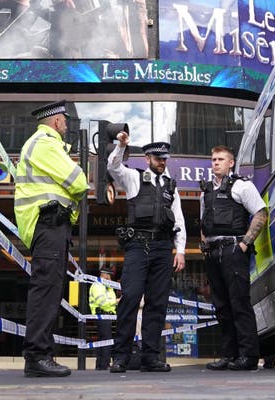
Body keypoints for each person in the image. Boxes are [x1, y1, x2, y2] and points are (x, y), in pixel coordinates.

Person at [14, 100, 87, 378]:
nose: (67, 125)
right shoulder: (45, 143)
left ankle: (40, 354)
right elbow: (78, 182)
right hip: (48, 225)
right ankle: (37, 356)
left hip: (51, 225)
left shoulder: (43, 144)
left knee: (50, 290)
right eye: (65, 120)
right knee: (46, 292)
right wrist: (77, 176)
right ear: (56, 122)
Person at [106, 131, 186, 373]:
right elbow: (113, 166)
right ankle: (120, 356)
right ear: (147, 159)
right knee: (130, 298)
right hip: (138, 246)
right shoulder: (134, 178)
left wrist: (180, 250)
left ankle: (150, 357)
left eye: (165, 159)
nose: (162, 162)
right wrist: (121, 145)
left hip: (163, 248)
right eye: (158, 158)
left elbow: (179, 220)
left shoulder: (171, 187)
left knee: (157, 303)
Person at [200, 144, 267, 371]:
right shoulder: (206, 191)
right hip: (213, 253)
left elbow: (261, 213)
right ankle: (229, 355)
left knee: (239, 304)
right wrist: (204, 244)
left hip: (233, 251)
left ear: (231, 163)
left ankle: (248, 357)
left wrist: (245, 243)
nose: (215, 163)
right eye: (213, 159)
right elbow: (204, 222)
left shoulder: (241, 186)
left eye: (220, 159)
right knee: (221, 306)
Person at [89, 267, 119, 370]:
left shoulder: (106, 287)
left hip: (107, 316)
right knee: (106, 341)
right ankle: (104, 364)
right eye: (110, 277)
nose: (111, 280)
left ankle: (101, 365)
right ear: (105, 275)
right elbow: (102, 303)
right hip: (101, 315)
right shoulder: (98, 286)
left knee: (104, 341)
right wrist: (116, 301)